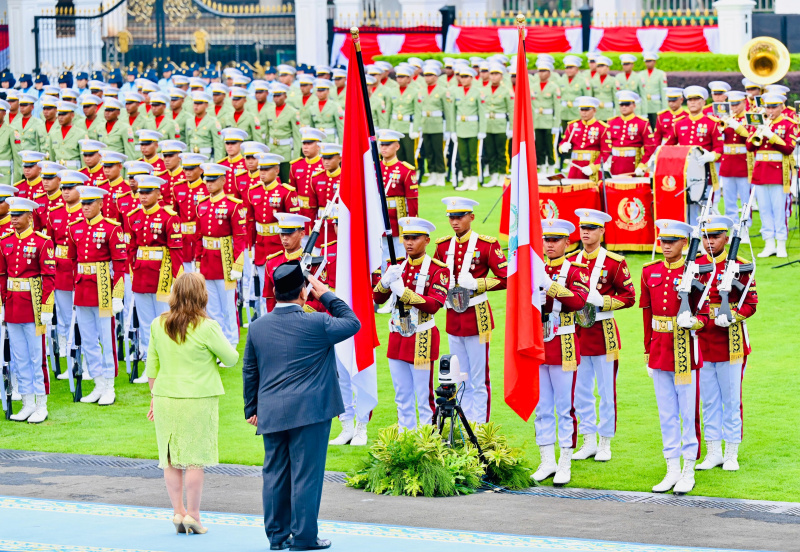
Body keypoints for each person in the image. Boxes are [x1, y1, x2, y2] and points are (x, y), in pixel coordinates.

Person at [243, 264, 360, 551]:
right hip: (311, 412)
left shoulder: (257, 327)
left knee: (274, 475)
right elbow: (352, 322)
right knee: (306, 475)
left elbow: (250, 370)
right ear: (304, 292)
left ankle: (277, 537)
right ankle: (304, 537)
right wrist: (326, 294)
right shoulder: (318, 322)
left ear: (274, 291)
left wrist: (251, 409)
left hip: (271, 410)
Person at [146, 272, 239, 535]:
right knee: (195, 460)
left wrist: (154, 397)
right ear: (202, 295)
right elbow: (231, 358)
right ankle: (194, 515)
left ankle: (178, 511)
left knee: (170, 459)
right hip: (198, 399)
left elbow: (152, 367)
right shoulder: (207, 327)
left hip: (165, 397)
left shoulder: (157, 324)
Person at [641, 219, 709, 495]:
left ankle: (688, 470)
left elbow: (705, 312)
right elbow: (647, 313)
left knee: (688, 413)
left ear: (684, 243)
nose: (666, 246)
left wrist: (694, 322)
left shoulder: (696, 271)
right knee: (666, 414)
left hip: (684, 350)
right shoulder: (650, 271)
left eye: (671, 242)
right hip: (659, 350)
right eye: (663, 241)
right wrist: (647, 350)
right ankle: (671, 469)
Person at [569, 209, 636, 462]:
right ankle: (588, 440)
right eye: (582, 228)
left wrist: (604, 301)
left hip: (604, 330)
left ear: (602, 231)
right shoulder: (570, 261)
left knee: (607, 392)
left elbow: (629, 297)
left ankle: (605, 442)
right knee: (581, 390)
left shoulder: (614, 262)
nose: (585, 232)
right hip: (577, 332)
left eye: (591, 228)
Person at [433, 197, 507, 424]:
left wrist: (478, 283)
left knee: (479, 377)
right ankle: (465, 425)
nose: (454, 222)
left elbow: (506, 278)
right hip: (453, 317)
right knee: (459, 375)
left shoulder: (487, 245)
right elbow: (435, 277)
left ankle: (480, 426)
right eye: (451, 217)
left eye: (460, 217)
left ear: (471, 217)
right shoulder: (443, 246)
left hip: (477, 316)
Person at [373, 217, 448, 431]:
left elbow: (434, 305)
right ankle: (406, 435)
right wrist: (385, 282)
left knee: (424, 396)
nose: (409, 242)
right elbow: (377, 299)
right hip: (397, 337)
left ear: (427, 240)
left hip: (422, 338)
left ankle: (426, 438)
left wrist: (403, 292)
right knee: (402, 395)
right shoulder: (397, 265)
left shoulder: (438, 269)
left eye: (415, 238)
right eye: (406, 237)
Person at [696, 215, 757, 473]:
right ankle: (713, 452)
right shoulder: (695, 265)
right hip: (702, 339)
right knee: (709, 400)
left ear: (726, 238)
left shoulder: (740, 265)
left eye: (715, 236)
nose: (710, 242)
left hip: (731, 340)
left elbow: (751, 303)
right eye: (706, 237)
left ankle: (731, 452)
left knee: (731, 400)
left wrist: (733, 316)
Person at [531, 219, 589, 487]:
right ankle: (547, 461)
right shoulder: (535, 268)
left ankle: (564, 461)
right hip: (538, 345)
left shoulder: (577, 269)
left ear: (567, 242)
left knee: (565, 408)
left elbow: (578, 302)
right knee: (542, 407)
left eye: (556, 240)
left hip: (564, 343)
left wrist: (550, 285)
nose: (550, 245)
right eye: (546, 240)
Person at [67, 186, 127, 406]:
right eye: (83, 203)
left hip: (102, 287)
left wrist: (117, 294)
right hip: (83, 288)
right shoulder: (74, 228)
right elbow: (73, 260)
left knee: (106, 339)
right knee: (88, 339)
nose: (85, 207)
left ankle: (109, 385)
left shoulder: (112, 228)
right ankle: (98, 382)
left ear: (101, 204)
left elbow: (120, 265)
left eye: (89, 203)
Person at [0, 197, 56, 423]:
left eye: (18, 215)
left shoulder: (42, 242)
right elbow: (2, 275)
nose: (13, 219)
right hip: (13, 305)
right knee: (19, 357)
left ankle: (41, 404)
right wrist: (2, 304)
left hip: (33, 305)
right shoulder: (5, 241)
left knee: (37, 357)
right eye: (12, 215)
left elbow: (48, 277)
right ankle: (27, 403)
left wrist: (46, 307)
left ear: (30, 217)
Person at [126, 174, 183, 383]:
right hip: (141, 275)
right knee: (146, 325)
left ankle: (170, 367)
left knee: (166, 323)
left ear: (158, 193)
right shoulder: (133, 216)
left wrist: (177, 280)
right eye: (141, 192)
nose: (143, 196)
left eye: (148, 192)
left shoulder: (169, 217)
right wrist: (132, 272)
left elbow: (176, 251)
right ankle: (149, 368)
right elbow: (131, 248)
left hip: (162, 276)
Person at [195, 163, 245, 346]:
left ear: (223, 180)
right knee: (212, 308)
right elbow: (199, 237)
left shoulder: (233, 205)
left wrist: (238, 264)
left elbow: (240, 237)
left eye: (213, 180)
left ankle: (231, 343)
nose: (209, 184)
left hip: (225, 261)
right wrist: (198, 262)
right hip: (208, 261)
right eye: (207, 180)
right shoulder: (202, 205)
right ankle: (218, 343)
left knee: (229, 307)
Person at [745, 93, 797, 258]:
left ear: (781, 107)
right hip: (761, 172)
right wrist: (758, 130)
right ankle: (769, 244)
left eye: (774, 107)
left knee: (779, 210)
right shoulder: (759, 122)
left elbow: (788, 148)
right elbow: (749, 147)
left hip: (778, 173)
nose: (770, 110)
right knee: (764, 210)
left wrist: (770, 135)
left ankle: (781, 244)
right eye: (768, 107)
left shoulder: (789, 124)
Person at [604, 91, 655, 176]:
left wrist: (642, 166)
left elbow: (650, 148)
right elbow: (605, 146)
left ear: (634, 106)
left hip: (634, 165)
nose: (624, 107)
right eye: (621, 105)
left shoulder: (642, 123)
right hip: (615, 165)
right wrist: (604, 162)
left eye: (627, 104)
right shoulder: (612, 122)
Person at [558, 96, 609, 181]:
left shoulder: (602, 128)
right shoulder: (573, 126)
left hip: (591, 168)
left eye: (587, 110)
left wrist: (593, 167)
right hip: (575, 168)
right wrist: (563, 147)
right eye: (582, 110)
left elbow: (605, 152)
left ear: (594, 110)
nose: (584, 113)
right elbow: (564, 141)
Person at [452, 66, 486, 191]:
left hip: (473, 128)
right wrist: (452, 130)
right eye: (462, 77)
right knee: (463, 157)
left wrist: (482, 130)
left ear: (471, 78)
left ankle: (474, 180)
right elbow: (452, 112)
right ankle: (466, 180)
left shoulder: (477, 92)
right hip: (460, 128)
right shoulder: (456, 92)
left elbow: (482, 113)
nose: (463, 79)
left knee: (473, 156)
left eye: (466, 77)